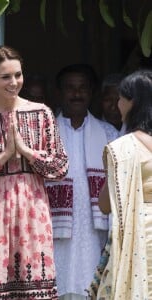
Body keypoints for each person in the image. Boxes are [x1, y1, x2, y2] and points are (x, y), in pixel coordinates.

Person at [0, 45, 69, 299]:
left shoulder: (42, 114)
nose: (14, 82)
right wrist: (4, 156)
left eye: (18, 75)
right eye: (5, 77)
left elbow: (60, 166)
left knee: (34, 288)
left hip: (32, 211)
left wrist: (27, 152)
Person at [45, 64, 118, 300]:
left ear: (91, 92)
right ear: (59, 93)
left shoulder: (109, 134)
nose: (77, 94)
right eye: (70, 88)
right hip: (55, 232)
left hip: (94, 232)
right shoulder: (45, 134)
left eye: (83, 88)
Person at [93, 69, 152, 299]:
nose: (117, 104)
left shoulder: (124, 148)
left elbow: (105, 205)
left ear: (132, 103)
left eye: (121, 98)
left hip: (138, 237)